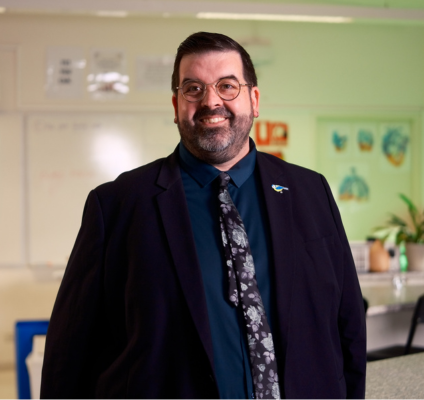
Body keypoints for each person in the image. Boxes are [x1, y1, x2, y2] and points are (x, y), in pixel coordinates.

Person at [40, 32, 366, 399]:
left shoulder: (310, 192)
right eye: (193, 88)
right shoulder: (117, 205)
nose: (211, 101)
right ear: (176, 103)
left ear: (254, 100)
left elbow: (347, 323)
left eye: (227, 86)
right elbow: (70, 352)